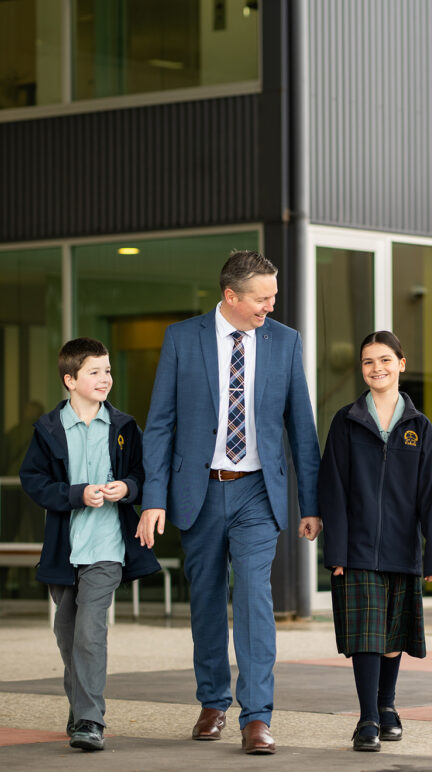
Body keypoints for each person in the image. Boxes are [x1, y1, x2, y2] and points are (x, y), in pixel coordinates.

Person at [136, 250, 321, 755]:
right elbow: (161, 425)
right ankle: (213, 702)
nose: (270, 307)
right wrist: (154, 498)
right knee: (207, 598)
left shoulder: (285, 342)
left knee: (255, 597)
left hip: (258, 491)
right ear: (231, 296)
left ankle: (257, 716)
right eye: (262, 299)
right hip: (198, 489)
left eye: (274, 297)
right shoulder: (182, 338)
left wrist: (310, 502)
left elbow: (301, 428)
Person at [20, 337, 159, 752]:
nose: (105, 379)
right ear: (70, 379)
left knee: (89, 631)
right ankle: (81, 703)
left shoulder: (124, 427)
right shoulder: (47, 429)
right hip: (64, 549)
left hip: (107, 547)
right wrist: (76, 494)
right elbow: (35, 482)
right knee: (66, 631)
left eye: (108, 371)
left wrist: (128, 487)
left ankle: (89, 719)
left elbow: (143, 474)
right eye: (94, 372)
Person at [319, 330, 432, 752]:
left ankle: (388, 705)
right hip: (355, 548)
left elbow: (431, 495)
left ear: (401, 363)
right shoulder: (346, 421)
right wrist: (335, 549)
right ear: (362, 369)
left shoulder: (419, 427)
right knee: (366, 635)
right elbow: (332, 488)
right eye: (369, 362)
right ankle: (368, 718)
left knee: (393, 635)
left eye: (385, 360)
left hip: (402, 546)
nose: (377, 368)